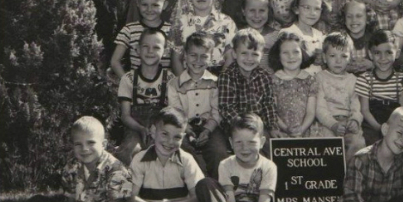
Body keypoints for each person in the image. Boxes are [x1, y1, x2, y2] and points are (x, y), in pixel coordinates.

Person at [27, 117, 132, 202]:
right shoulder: (72, 167)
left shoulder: (116, 169)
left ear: (103, 144)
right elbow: (70, 198)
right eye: (78, 144)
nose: (84, 149)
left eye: (91, 143)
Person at [115, 107, 212, 202]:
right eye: (165, 134)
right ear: (153, 132)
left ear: (183, 137)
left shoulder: (187, 160)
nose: (170, 142)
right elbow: (131, 197)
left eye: (177, 137)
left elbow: (196, 195)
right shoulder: (139, 159)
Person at [188, 114, 285, 202]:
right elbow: (229, 198)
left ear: (262, 142)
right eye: (239, 142)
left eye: (251, 142)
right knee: (205, 183)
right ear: (231, 142)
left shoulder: (269, 166)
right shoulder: (225, 164)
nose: (245, 148)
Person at [167, 32, 229, 177]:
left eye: (204, 56)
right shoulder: (174, 84)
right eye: (193, 55)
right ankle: (198, 183)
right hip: (184, 127)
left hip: (210, 127)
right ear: (185, 56)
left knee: (219, 151)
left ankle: (218, 185)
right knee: (183, 149)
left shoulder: (215, 83)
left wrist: (207, 131)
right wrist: (187, 129)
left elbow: (216, 112)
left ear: (211, 57)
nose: (198, 61)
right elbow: (175, 112)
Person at [117, 28, 176, 165]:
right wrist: (141, 129)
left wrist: (158, 129)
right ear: (138, 50)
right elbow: (125, 116)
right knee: (129, 150)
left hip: (161, 126)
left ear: (165, 51)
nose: (150, 51)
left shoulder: (170, 79)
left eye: (156, 47)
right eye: (145, 46)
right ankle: (124, 178)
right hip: (135, 127)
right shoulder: (128, 79)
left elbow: (172, 113)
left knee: (169, 151)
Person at [168, 0, 237, 76]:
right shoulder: (180, 22)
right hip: (187, 76)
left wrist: (220, 82)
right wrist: (184, 82)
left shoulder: (227, 23)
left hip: (218, 77)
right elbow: (176, 59)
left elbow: (230, 58)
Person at [217, 28, 280, 141]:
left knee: (271, 146)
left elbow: (268, 104)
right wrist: (245, 128)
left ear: (261, 55)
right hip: (234, 127)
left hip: (258, 127)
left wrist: (272, 127)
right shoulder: (227, 76)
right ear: (234, 54)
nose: (249, 59)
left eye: (255, 54)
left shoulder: (264, 76)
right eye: (244, 53)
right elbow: (226, 108)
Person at [313, 32, 366, 162]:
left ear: (350, 58)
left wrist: (355, 121)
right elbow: (319, 107)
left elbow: (356, 106)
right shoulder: (319, 78)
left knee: (358, 143)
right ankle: (332, 172)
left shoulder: (353, 80)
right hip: (327, 122)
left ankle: (352, 172)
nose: (338, 61)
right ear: (324, 58)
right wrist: (333, 125)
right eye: (333, 56)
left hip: (348, 121)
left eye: (344, 56)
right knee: (327, 143)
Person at [110, 0, 172, 81]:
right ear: (137, 3)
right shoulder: (129, 30)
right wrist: (128, 82)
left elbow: (179, 61)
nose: (149, 9)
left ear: (165, 4)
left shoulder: (172, 31)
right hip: (137, 87)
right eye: (144, 5)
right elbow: (115, 61)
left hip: (165, 87)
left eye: (155, 5)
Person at [355, 30, 403, 146]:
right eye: (377, 53)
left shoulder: (402, 79)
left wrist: (392, 128)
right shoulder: (365, 79)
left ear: (397, 53)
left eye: (388, 52)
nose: (383, 58)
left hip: (394, 121)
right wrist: (379, 128)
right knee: (369, 141)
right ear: (370, 54)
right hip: (372, 123)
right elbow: (364, 110)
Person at [269, 31, 318, 138]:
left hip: (306, 131)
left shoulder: (310, 80)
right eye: (285, 53)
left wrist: (301, 129)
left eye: (296, 52)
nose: (291, 56)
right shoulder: (274, 80)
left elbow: (311, 112)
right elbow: (272, 111)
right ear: (278, 55)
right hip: (282, 132)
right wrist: (285, 128)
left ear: (303, 53)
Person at [279, 0, 327, 72]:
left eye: (317, 9)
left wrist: (323, 60)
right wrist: (311, 59)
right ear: (296, 9)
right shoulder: (287, 33)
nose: (312, 13)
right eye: (307, 7)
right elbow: (284, 61)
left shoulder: (320, 35)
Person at [241, 0, 279, 72]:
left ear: (268, 11)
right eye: (252, 10)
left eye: (262, 11)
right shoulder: (237, 35)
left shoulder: (276, 37)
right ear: (243, 11)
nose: (257, 15)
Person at [343, 0, 376, 75]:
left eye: (358, 16)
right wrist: (345, 67)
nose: (354, 20)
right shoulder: (340, 40)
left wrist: (372, 65)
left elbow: (384, 63)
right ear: (344, 19)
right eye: (349, 16)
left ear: (367, 18)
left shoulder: (374, 40)